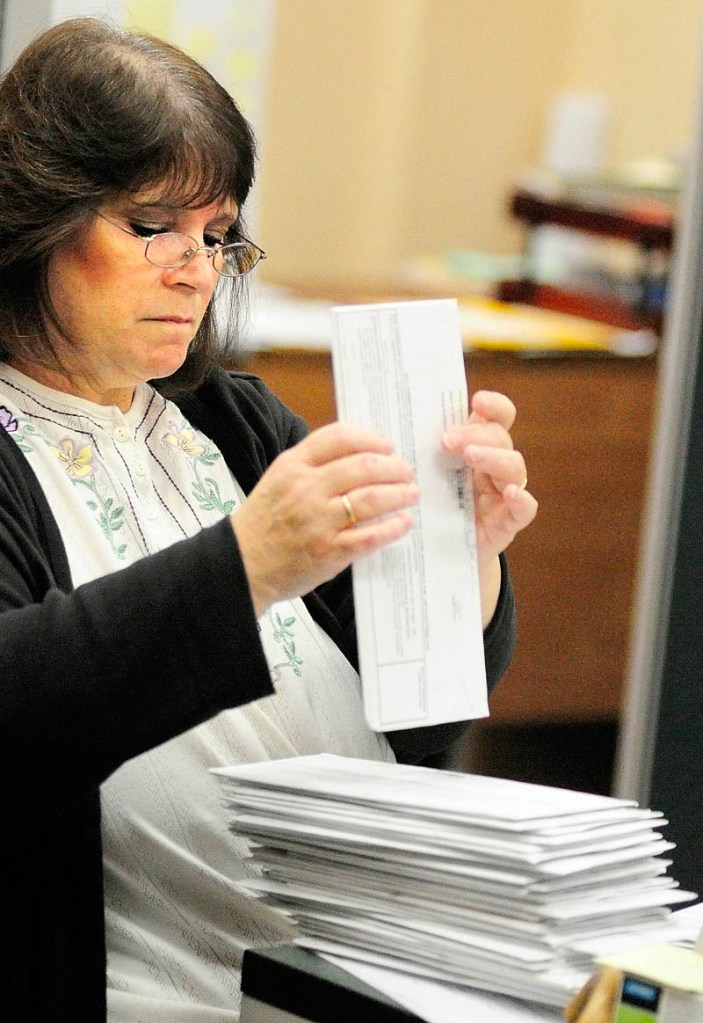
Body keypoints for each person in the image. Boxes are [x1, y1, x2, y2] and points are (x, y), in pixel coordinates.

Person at [0, 16, 537, 1023]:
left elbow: (417, 733)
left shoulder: (233, 419)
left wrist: (463, 566)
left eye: (216, 236)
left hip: (353, 966)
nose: (194, 270)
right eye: (151, 224)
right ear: (33, 221)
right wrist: (241, 569)